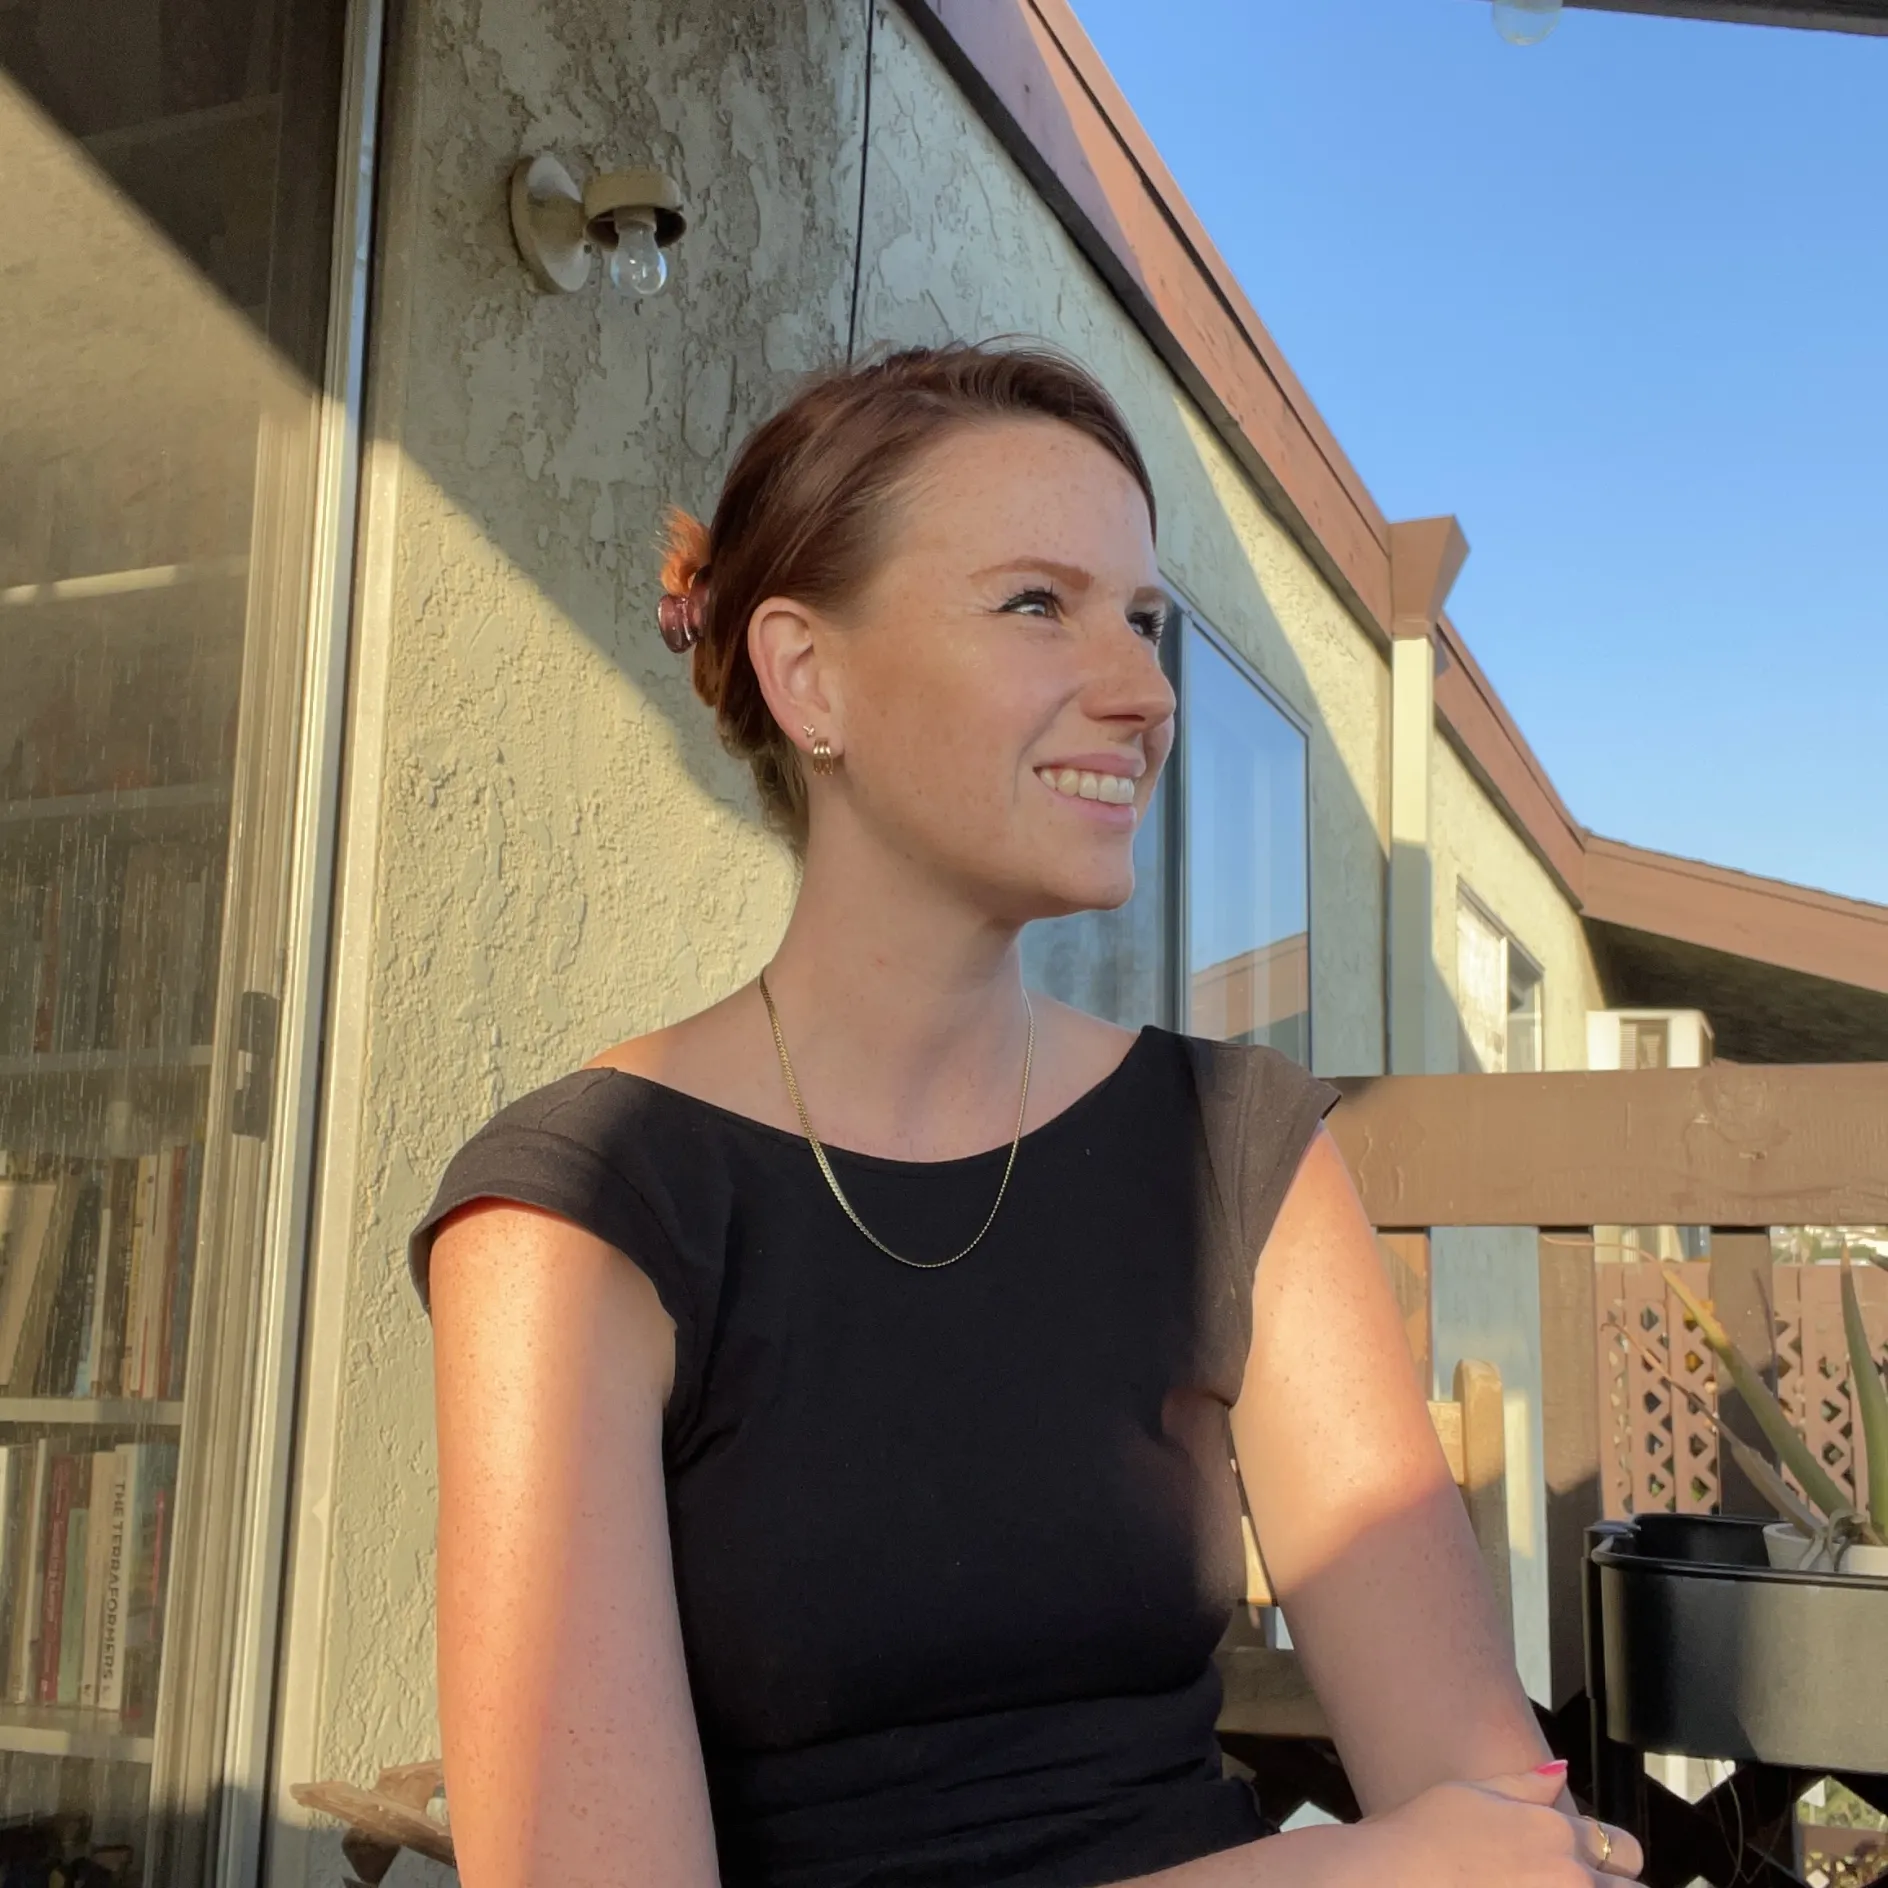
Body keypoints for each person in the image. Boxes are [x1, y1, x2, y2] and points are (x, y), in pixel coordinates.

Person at [411, 343, 1642, 1887]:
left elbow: (1499, 1822)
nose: (1144, 693)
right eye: (1036, 605)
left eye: (1142, 620)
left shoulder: (1233, 1150)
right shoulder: (581, 1213)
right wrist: (1329, 1875)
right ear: (809, 677)